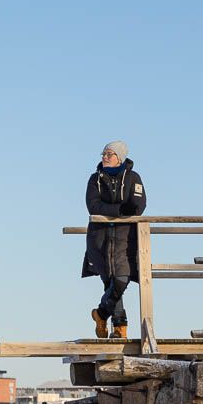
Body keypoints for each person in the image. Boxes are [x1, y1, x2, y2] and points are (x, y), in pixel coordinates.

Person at [82, 141, 147, 340]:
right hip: (100, 241)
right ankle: (120, 330)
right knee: (110, 282)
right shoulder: (95, 180)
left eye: (109, 154)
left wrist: (118, 210)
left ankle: (101, 314)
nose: (105, 157)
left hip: (124, 241)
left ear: (120, 157)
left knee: (120, 281)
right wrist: (119, 210)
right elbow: (93, 206)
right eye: (103, 154)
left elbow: (137, 205)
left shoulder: (133, 178)